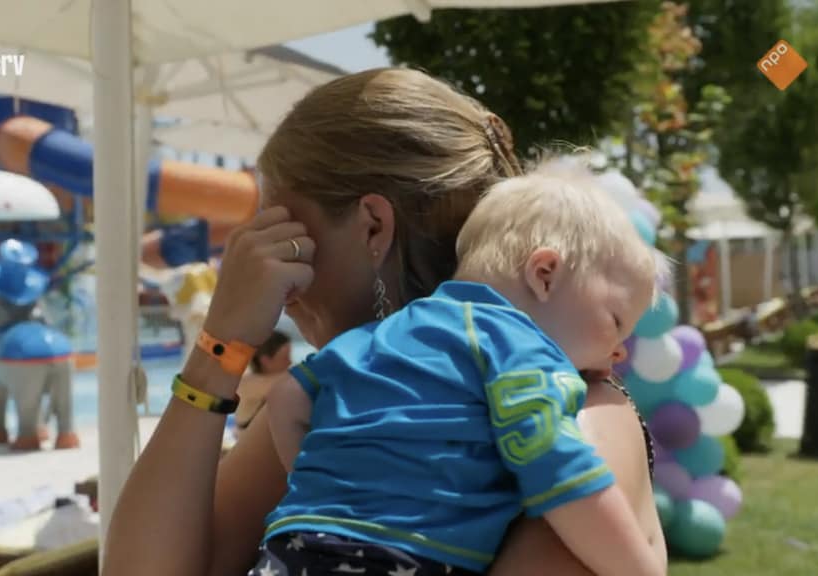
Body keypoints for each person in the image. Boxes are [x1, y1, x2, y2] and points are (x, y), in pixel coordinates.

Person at [103, 68, 666, 576]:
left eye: (285, 238)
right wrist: (219, 347)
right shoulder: (357, 403)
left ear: (373, 226)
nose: (272, 282)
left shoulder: (584, 418)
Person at [262, 167, 662, 576]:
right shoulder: (519, 346)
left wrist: (317, 483)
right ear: (544, 274)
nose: (617, 353)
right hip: (402, 556)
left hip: (291, 545)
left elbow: (287, 397)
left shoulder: (382, 333)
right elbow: (557, 467)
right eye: (616, 321)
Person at [234, 331, 293, 432]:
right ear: (265, 361)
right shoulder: (248, 383)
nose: (290, 362)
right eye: (285, 357)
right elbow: (293, 378)